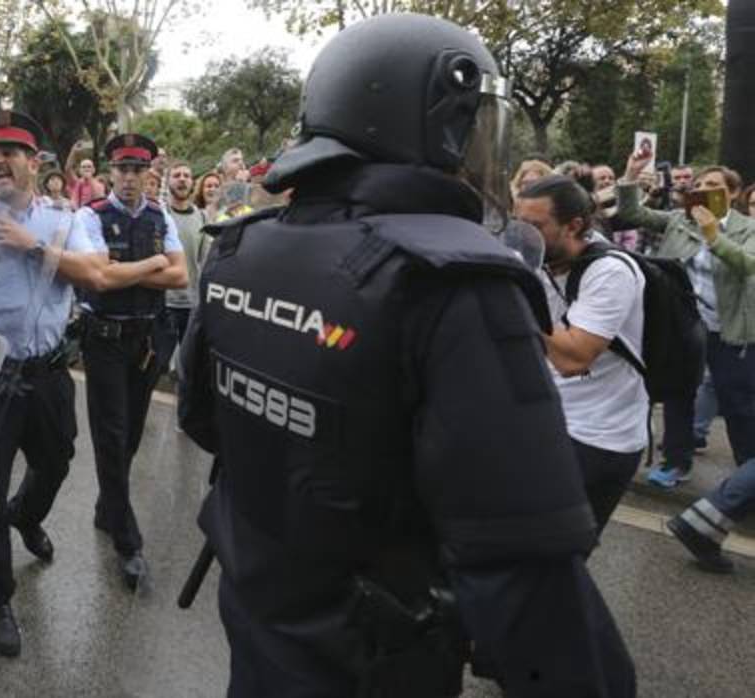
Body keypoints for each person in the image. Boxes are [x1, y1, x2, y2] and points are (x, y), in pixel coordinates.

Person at [178, 14, 635, 697]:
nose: (481, 150)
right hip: (374, 657)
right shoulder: (453, 282)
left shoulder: (243, 247)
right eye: (473, 127)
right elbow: (523, 568)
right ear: (431, 123)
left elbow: (203, 420)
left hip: (261, 625)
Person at [0, 110, 121, 657]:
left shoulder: (68, 221)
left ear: (34, 162)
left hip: (48, 373)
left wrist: (32, 245)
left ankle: (27, 515)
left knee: (59, 459)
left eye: (11, 152)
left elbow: (96, 275)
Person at [75, 133, 189, 590]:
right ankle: (128, 541)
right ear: (110, 172)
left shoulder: (161, 217)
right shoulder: (91, 215)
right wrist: (155, 262)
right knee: (112, 433)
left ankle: (108, 507)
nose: (129, 177)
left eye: (137, 169)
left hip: (148, 338)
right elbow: (100, 277)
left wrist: (136, 270)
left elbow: (181, 276)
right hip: (104, 340)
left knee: (131, 434)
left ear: (149, 174)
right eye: (121, 169)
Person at [517, 175, 647, 534]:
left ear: (574, 225)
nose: (523, 236)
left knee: (555, 556)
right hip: (550, 421)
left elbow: (572, 359)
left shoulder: (611, 272)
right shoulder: (541, 262)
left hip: (598, 438)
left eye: (534, 226)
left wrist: (515, 296)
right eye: (518, 224)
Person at [617, 156, 755, 488]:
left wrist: (714, 236)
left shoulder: (747, 228)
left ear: (733, 194)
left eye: (714, 186)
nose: (705, 191)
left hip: (729, 330)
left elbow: (748, 265)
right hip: (685, 326)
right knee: (679, 393)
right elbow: (634, 214)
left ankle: (746, 475)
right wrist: (630, 178)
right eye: (700, 185)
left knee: (737, 402)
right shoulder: (680, 219)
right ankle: (677, 462)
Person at [163, 161, 209, 347]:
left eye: (186, 176)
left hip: (192, 303)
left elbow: (204, 260)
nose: (182, 179)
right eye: (176, 175)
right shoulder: (159, 214)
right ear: (167, 182)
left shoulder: (203, 218)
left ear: (192, 182)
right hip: (164, 303)